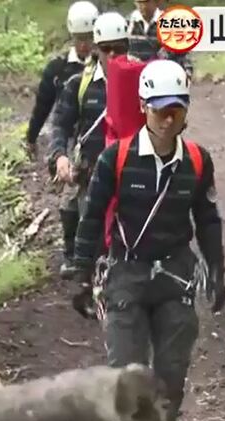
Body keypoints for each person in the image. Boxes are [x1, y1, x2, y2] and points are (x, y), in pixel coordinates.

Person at [70, 59, 225, 421]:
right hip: (126, 275)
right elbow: (91, 216)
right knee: (127, 379)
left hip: (176, 277)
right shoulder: (116, 159)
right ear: (143, 107)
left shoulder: (197, 161)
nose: (168, 120)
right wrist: (81, 272)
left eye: (176, 109)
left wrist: (216, 271)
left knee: (171, 379)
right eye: (160, 110)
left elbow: (206, 218)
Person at [48, 11, 129, 279]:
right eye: (107, 49)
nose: (114, 54)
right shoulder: (78, 85)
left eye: (120, 47)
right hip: (92, 174)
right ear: (97, 50)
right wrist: (60, 156)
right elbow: (60, 124)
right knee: (93, 233)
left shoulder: (143, 79)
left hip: (132, 171)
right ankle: (91, 283)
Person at [25, 1, 98, 159]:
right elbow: (42, 106)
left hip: (95, 138)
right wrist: (31, 137)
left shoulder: (104, 67)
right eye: (79, 38)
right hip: (64, 138)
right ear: (72, 36)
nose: (85, 44)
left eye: (89, 37)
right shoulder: (57, 68)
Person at [126, 0, 194, 77]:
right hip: (134, 77)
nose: (142, 6)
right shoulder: (128, 23)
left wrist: (187, 75)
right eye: (139, 2)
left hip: (162, 77)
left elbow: (183, 55)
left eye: (146, 2)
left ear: (156, 2)